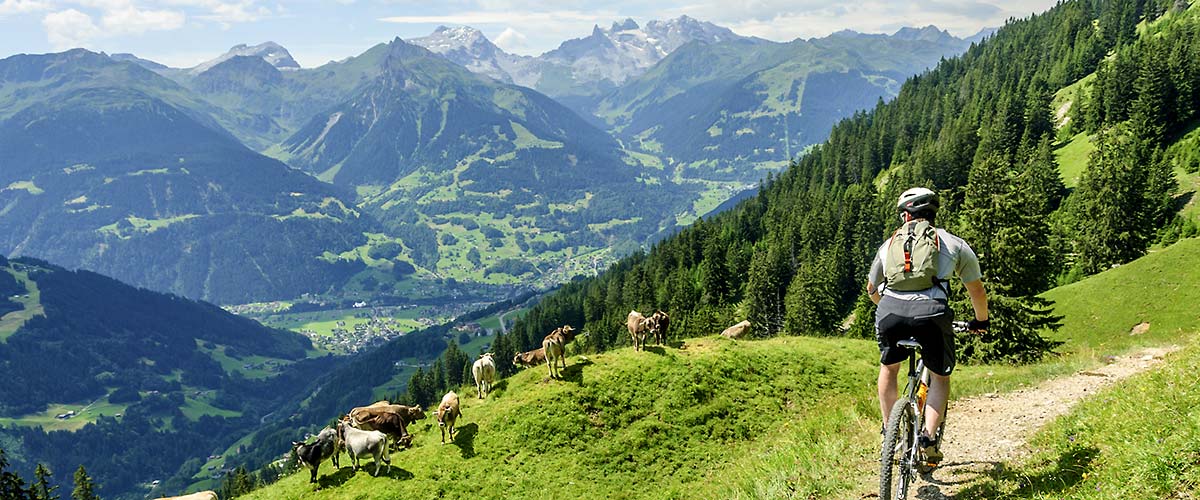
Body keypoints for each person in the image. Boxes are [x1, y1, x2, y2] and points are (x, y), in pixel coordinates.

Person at [866, 187, 989, 464]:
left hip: (890, 312)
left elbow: (872, 288)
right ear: (932, 214)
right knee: (940, 377)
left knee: (889, 368)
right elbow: (977, 292)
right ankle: (929, 440)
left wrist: (890, 311)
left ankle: (890, 432)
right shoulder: (953, 243)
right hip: (932, 315)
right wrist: (981, 321)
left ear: (906, 215)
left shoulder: (889, 245)